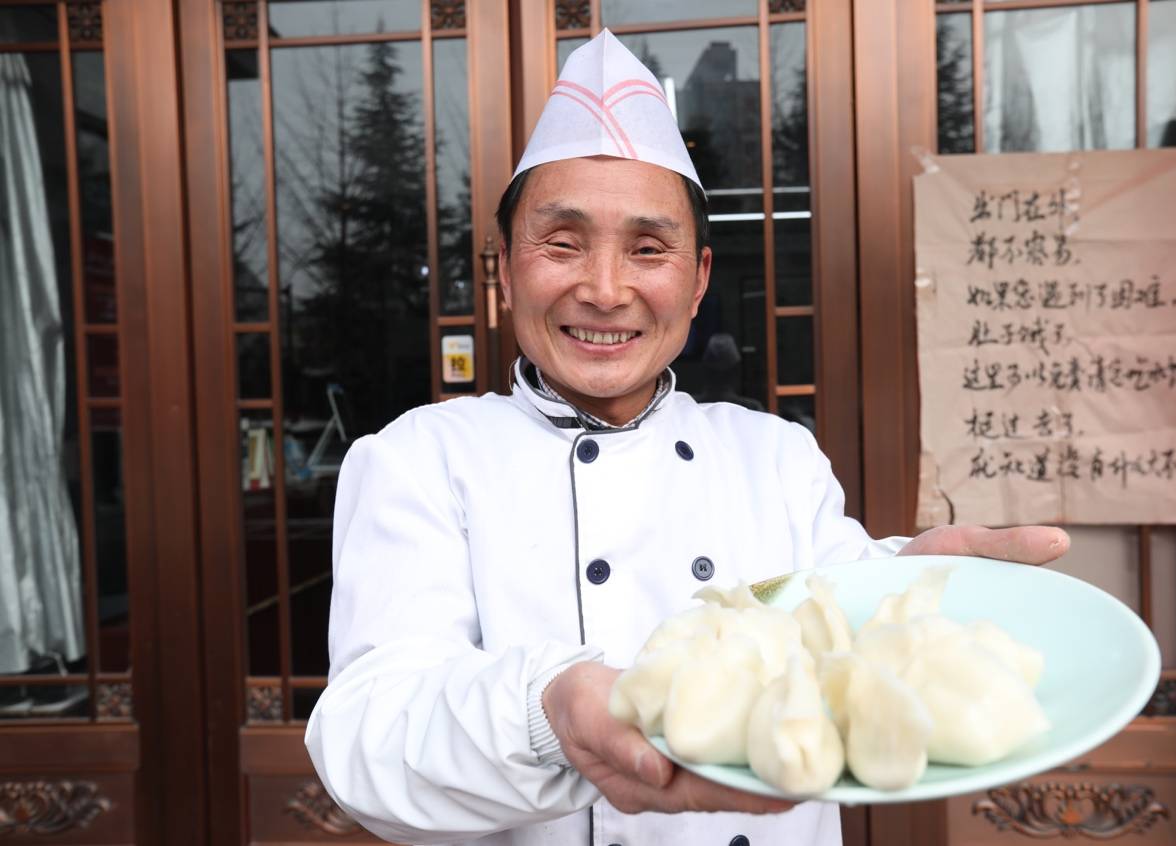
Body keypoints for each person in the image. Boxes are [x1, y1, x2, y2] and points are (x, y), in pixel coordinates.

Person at [304, 30, 1068, 846]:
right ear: (503, 269)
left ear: (698, 279)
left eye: (647, 249)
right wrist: (547, 713)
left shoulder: (775, 458)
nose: (605, 290)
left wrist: (910, 592)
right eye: (562, 243)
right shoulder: (419, 460)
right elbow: (366, 739)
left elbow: (838, 616)